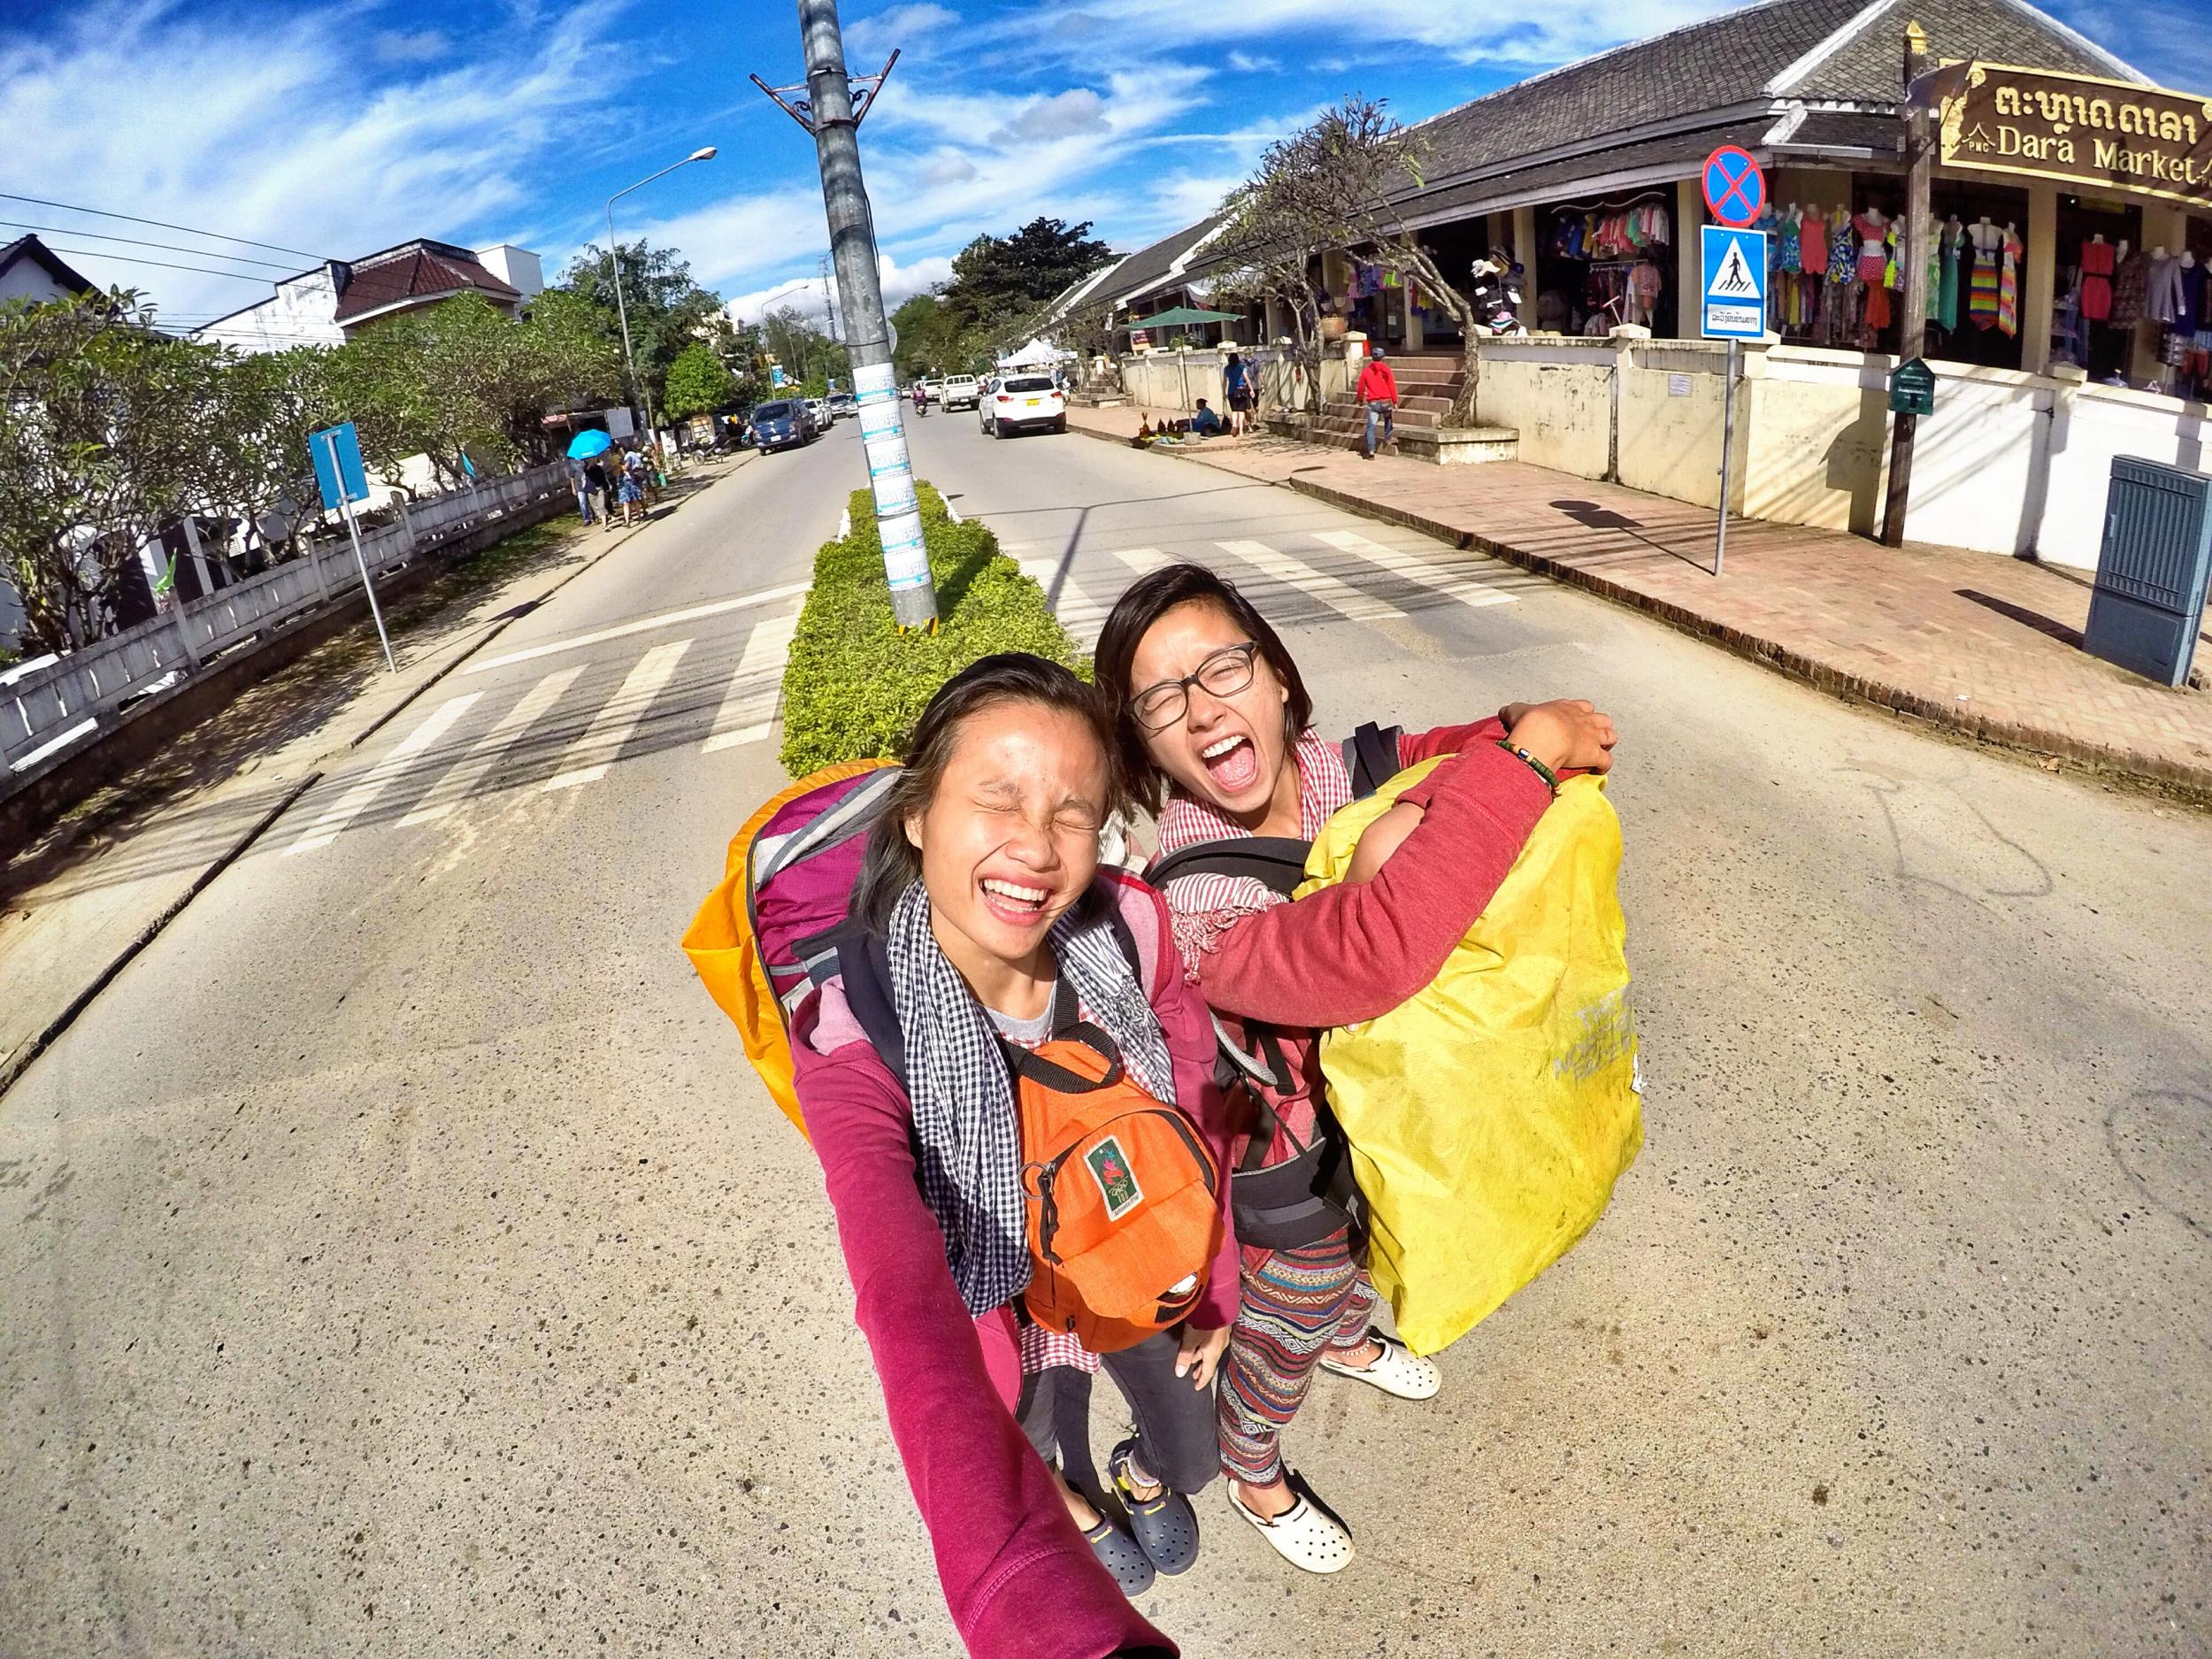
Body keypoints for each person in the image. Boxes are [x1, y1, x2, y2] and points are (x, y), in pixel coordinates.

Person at [1093, 565, 1617, 1573]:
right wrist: (1517, 762)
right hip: (1281, 1188)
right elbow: (1375, 950)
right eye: (1161, 700)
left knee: (1360, 1267)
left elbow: (1457, 752)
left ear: (1279, 678)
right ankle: (1252, 1467)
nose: (1201, 711)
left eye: (1221, 668)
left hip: (1391, 1132)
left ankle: (1344, 1336)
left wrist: (1517, 732)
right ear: (1143, 745)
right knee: (1279, 1337)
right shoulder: (1195, 907)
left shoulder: (1344, 769)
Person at [787, 653, 1244, 1656]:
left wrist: (1214, 1274)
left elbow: (1195, 1098)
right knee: (1034, 1443)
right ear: (916, 815)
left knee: (1192, 1440)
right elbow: (897, 1283)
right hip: (1003, 1302)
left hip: (1135, 1254)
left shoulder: (1127, 928)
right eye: (997, 799)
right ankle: (1073, 1499)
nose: (1037, 848)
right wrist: (1017, 1588)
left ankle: (1143, 1475)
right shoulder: (851, 1026)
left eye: (1074, 812)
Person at [1356, 346, 1397, 459]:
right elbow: (1391, 385)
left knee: (1371, 427)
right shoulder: (1386, 370)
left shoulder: (1366, 372)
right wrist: (1395, 401)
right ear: (1383, 357)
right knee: (1388, 418)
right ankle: (1388, 437)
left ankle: (1371, 451)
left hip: (1373, 403)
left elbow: (1360, 389)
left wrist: (1360, 400)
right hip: (1386, 401)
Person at [1223, 352, 1256, 436]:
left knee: (1234, 411)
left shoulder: (1226, 369)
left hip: (1231, 391)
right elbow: (1247, 378)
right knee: (1241, 412)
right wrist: (1251, 389)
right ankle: (1241, 431)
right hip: (1241, 391)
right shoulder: (1242, 367)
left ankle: (1234, 424)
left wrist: (1224, 392)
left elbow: (1224, 382)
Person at [568, 457, 595, 525]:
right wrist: (573, 488)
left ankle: (595, 516)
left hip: (588, 483)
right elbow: (572, 477)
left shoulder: (586, 459)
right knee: (582, 502)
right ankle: (586, 519)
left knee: (592, 501)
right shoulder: (572, 463)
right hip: (579, 486)